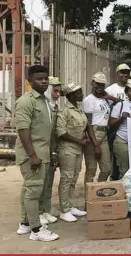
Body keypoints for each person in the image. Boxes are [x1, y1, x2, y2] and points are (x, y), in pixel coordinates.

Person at [15, 65, 59, 241]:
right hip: (32, 155)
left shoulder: (44, 101)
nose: (44, 82)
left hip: (43, 153)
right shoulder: (26, 101)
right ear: (30, 81)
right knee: (34, 191)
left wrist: (51, 153)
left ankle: (25, 224)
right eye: (39, 79)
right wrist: (32, 155)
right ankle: (36, 230)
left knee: (29, 189)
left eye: (45, 79)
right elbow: (23, 130)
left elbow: (46, 131)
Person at [55, 83, 88, 222]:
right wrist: (79, 141)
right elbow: (61, 132)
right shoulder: (65, 111)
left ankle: (70, 205)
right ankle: (64, 210)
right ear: (70, 96)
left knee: (74, 177)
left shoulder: (79, 109)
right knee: (66, 178)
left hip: (77, 149)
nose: (81, 94)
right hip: (67, 148)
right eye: (78, 92)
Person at [83, 73, 112, 188]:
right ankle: (88, 197)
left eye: (102, 84)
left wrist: (109, 97)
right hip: (93, 134)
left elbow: (119, 102)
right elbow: (88, 124)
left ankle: (98, 192)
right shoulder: (88, 100)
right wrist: (95, 145)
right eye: (97, 84)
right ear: (92, 83)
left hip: (104, 133)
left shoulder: (104, 99)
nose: (100, 86)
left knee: (106, 169)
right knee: (91, 169)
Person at [40, 76, 61, 226]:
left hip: (52, 148)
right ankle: (38, 212)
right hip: (42, 149)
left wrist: (54, 151)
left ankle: (46, 210)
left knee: (49, 182)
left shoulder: (55, 106)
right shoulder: (43, 106)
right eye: (54, 89)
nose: (57, 93)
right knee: (40, 183)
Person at [105, 63, 130, 181]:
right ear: (117, 74)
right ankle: (114, 182)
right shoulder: (110, 89)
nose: (125, 74)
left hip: (130, 129)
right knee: (115, 159)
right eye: (122, 72)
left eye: (127, 72)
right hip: (115, 128)